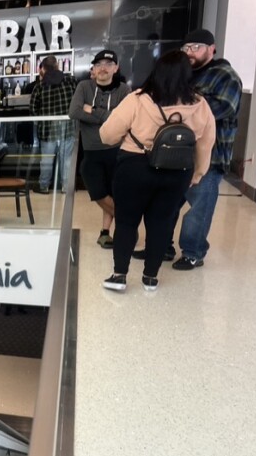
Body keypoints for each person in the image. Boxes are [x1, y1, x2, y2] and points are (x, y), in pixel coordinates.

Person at [98, 50, 215, 292]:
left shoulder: (138, 99)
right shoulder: (200, 105)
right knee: (161, 223)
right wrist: (198, 173)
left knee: (127, 222)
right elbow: (205, 143)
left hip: (134, 167)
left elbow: (107, 135)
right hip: (177, 172)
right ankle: (150, 278)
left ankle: (119, 275)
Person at [170, 28, 243, 270]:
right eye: (186, 48)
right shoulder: (184, 75)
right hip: (177, 154)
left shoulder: (225, 75)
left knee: (199, 209)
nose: (190, 52)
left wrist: (181, 109)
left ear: (211, 49)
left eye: (196, 47)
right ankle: (162, 246)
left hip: (210, 157)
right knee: (166, 204)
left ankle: (193, 252)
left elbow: (222, 109)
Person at [69, 49, 131, 248]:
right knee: (97, 192)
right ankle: (128, 222)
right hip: (91, 151)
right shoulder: (84, 86)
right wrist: (108, 115)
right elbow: (74, 111)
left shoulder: (124, 90)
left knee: (114, 192)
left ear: (116, 68)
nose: (103, 68)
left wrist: (93, 110)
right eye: (98, 65)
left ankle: (105, 232)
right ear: (93, 69)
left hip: (117, 150)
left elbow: (124, 118)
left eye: (108, 64)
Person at [30, 55, 77, 193]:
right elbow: (78, 101)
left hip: (47, 129)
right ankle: (66, 187)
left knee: (46, 159)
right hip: (67, 127)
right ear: (57, 65)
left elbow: (33, 109)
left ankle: (44, 186)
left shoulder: (39, 86)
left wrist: (41, 120)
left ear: (43, 69)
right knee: (66, 159)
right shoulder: (70, 81)